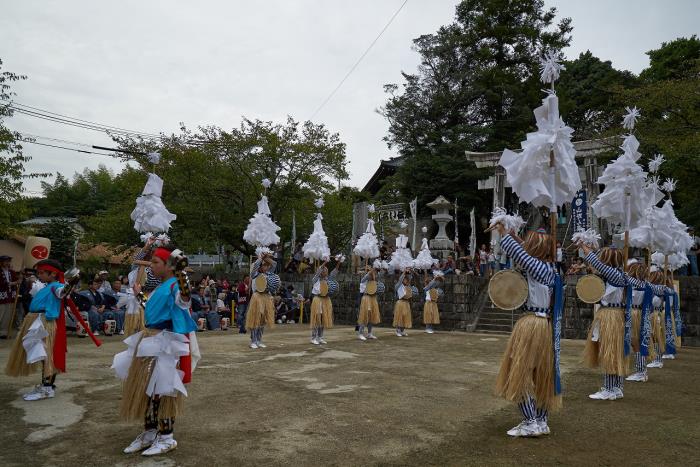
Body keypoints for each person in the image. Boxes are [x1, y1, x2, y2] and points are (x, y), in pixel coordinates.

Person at [113, 245, 199, 457]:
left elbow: (184, 299)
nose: (151, 267)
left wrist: (181, 273)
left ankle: (166, 436)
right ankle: (150, 433)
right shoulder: (162, 287)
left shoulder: (175, 285)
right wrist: (140, 295)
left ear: (169, 267)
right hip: (150, 339)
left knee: (163, 389)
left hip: (166, 342)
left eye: (155, 263)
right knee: (146, 388)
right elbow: (152, 310)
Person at [493, 225, 562, 437]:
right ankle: (541, 420)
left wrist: (504, 234)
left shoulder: (538, 267)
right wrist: (515, 236)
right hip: (546, 326)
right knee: (542, 374)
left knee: (520, 371)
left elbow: (520, 254)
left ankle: (531, 421)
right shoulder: (552, 269)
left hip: (532, 324)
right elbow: (525, 252)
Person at [5, 259, 80, 400]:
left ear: (53, 274)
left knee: (46, 354)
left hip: (44, 322)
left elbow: (62, 292)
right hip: (36, 320)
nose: (39, 275)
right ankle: (48, 386)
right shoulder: (46, 286)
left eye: (42, 272)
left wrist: (71, 282)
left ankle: (46, 388)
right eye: (38, 272)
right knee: (43, 354)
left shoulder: (56, 286)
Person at [580, 244, 629, 401]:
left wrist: (583, 246)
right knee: (615, 351)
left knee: (609, 351)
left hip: (610, 315)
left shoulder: (614, 274)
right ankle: (617, 388)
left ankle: (609, 389)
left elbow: (596, 263)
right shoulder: (619, 274)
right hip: (616, 316)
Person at [245, 253, 280, 349]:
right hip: (257, 297)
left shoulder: (269, 274)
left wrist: (267, 258)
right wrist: (261, 258)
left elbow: (274, 264)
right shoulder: (255, 274)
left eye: (267, 265)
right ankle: (253, 340)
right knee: (255, 319)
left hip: (266, 297)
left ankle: (259, 340)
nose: (267, 267)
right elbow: (255, 266)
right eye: (265, 265)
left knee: (262, 320)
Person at [309, 260, 340, 345]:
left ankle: (320, 337)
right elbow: (319, 270)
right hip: (317, 299)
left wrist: (339, 262)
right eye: (323, 270)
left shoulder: (328, 279)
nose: (325, 271)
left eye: (326, 270)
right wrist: (325, 262)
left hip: (326, 300)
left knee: (323, 319)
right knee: (317, 318)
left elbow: (335, 271)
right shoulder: (315, 279)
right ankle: (313, 338)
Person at [357, 263, 384, 340]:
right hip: (366, 297)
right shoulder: (368, 276)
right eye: (375, 270)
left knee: (371, 316)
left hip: (373, 298)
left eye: (376, 271)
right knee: (365, 315)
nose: (375, 272)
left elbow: (380, 276)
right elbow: (362, 281)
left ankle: (369, 333)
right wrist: (369, 272)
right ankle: (360, 333)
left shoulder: (376, 277)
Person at [392, 269, 418, 337]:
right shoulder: (398, 285)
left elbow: (410, 278)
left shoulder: (408, 286)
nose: (406, 280)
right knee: (399, 316)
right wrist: (404, 272)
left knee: (405, 316)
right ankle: (398, 330)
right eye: (405, 279)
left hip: (406, 303)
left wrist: (410, 271)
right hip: (400, 302)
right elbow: (400, 279)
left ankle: (402, 330)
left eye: (407, 279)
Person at [0, 255, 20, 338]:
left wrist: (20, 279)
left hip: (10, 296)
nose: (8, 263)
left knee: (7, 315)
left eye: (9, 261)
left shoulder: (12, 272)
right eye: (6, 261)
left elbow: (17, 280)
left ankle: (3, 332)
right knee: (1, 313)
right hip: (1, 295)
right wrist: (12, 283)